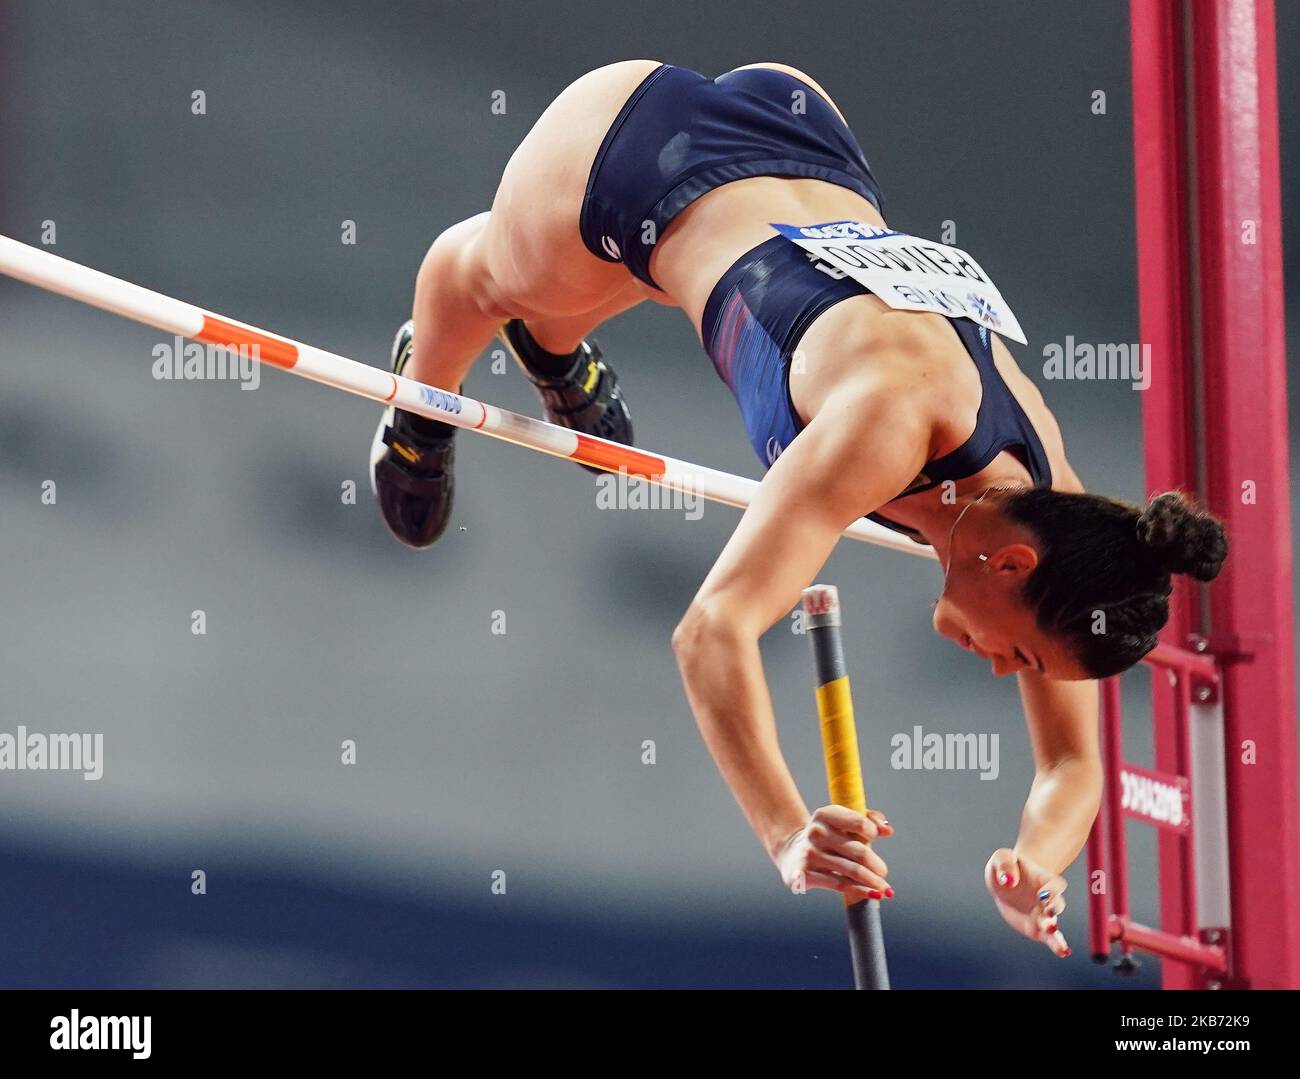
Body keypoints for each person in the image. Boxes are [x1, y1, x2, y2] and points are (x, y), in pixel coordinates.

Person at [369, 61, 1227, 957]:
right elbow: (712, 630)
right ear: (1012, 565)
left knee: (631, 278)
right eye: (1019, 653)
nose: (1006, 671)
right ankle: (422, 400)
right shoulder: (885, 428)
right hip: (635, 146)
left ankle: (555, 354)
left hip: (806, 135)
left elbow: (1073, 764)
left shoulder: (1063, 520)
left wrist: (1034, 865)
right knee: (484, 281)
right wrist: (785, 833)